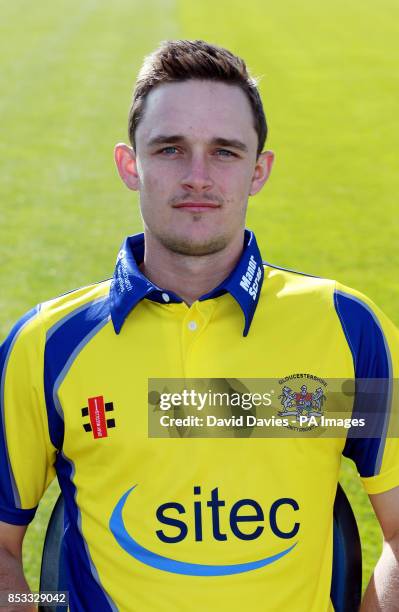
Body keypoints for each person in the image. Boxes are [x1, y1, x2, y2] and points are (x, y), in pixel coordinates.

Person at [0, 39, 398, 612]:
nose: (197, 176)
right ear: (129, 165)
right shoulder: (45, 347)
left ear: (259, 171)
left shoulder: (348, 331)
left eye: (225, 152)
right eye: (169, 149)